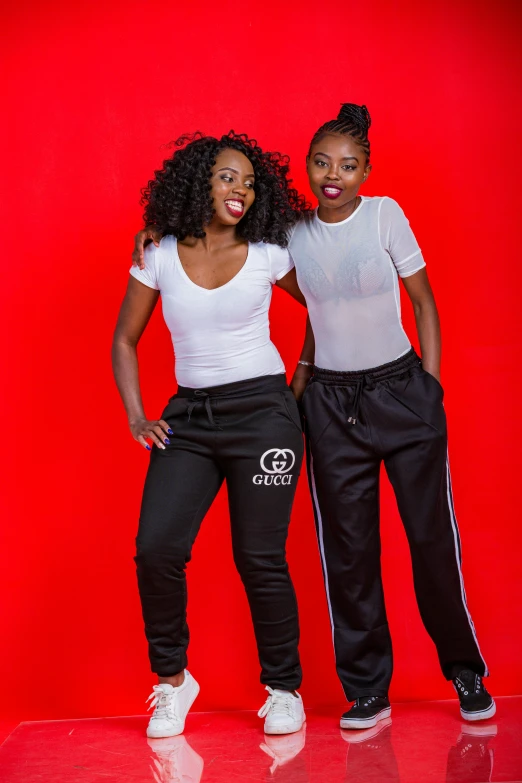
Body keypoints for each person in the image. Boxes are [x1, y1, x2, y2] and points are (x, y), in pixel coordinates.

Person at [288, 103, 495, 729]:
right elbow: (219, 235)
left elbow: (424, 303)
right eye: (322, 162)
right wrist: (153, 236)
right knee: (348, 553)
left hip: (401, 393)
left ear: (366, 170)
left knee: (432, 541)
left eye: (348, 166)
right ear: (307, 164)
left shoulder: (385, 214)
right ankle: (368, 691)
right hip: (328, 402)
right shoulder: (291, 230)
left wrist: (428, 389)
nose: (334, 174)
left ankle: (464, 671)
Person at [112, 130, 309, 739]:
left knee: (259, 558)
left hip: (264, 415)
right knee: (157, 549)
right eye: (228, 177)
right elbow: (124, 340)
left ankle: (283, 689)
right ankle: (172, 683)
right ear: (199, 181)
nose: (240, 190)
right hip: (190, 420)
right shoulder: (159, 252)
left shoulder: (270, 252)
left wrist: (293, 391)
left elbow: (325, 311)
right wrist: (139, 415)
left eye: (249, 182)